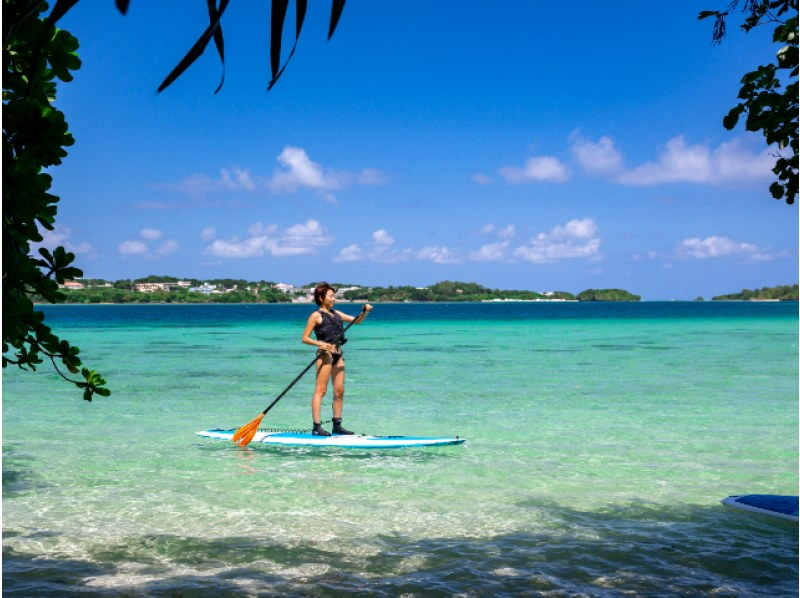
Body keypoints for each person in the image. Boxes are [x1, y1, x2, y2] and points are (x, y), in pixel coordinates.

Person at [301, 282, 372, 436]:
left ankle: (337, 425)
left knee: (339, 391)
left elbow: (357, 321)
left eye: (334, 296)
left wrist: (365, 311)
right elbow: (305, 338)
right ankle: (317, 427)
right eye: (331, 296)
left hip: (338, 354)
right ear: (321, 298)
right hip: (324, 355)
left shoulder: (337, 313)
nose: (333, 299)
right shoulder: (316, 316)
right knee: (321, 390)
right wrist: (320, 343)